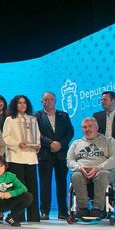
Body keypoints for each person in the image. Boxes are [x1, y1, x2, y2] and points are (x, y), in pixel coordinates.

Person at [67, 117, 115, 220]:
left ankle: (98, 209)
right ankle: (83, 209)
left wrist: (98, 168)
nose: (87, 129)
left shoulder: (108, 141)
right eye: (84, 127)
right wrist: (79, 167)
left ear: (97, 127)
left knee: (101, 175)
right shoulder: (76, 143)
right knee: (76, 176)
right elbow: (69, 161)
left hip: (105, 171)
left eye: (90, 126)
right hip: (83, 172)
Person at [35, 92, 74, 220]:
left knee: (62, 183)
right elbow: (36, 134)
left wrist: (60, 144)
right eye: (46, 100)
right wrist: (50, 143)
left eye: (51, 99)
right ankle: (44, 211)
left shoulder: (64, 115)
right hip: (45, 154)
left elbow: (70, 132)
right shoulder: (36, 116)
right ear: (42, 102)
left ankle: (63, 211)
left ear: (55, 101)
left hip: (61, 154)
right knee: (44, 184)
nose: (49, 102)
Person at [2, 94, 41, 222]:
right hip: (16, 157)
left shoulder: (33, 119)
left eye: (24, 102)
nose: (22, 105)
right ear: (15, 105)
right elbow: (5, 138)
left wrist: (37, 146)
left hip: (31, 157)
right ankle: (17, 215)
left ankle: (34, 216)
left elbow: (37, 136)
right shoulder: (10, 119)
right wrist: (18, 144)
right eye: (20, 103)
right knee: (18, 189)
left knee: (32, 188)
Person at [93, 91, 115, 181]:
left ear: (113, 101)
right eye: (101, 100)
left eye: (105, 99)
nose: (102, 102)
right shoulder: (97, 116)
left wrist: (113, 144)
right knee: (102, 181)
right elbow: (94, 133)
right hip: (102, 154)